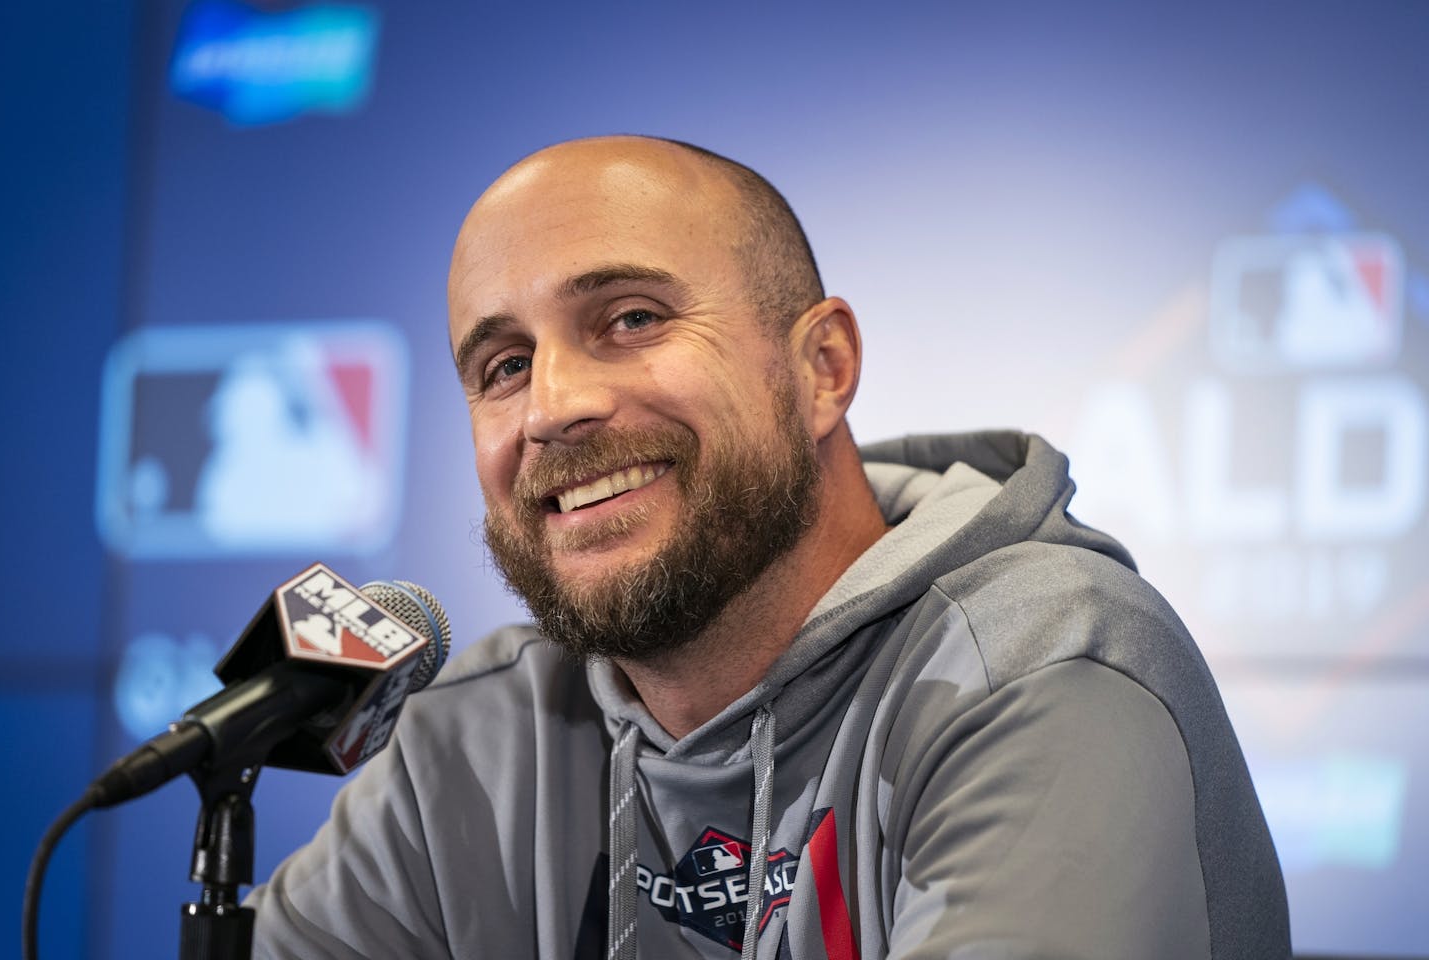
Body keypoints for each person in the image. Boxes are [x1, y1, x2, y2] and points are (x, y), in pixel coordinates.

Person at [246, 136, 1290, 959]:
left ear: (823, 367)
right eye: (505, 364)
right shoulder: (469, 745)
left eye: (631, 318)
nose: (553, 407)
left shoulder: (1035, 669)